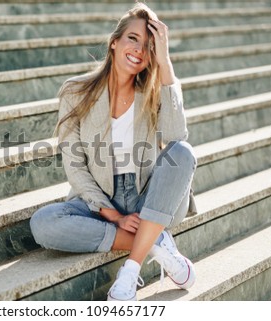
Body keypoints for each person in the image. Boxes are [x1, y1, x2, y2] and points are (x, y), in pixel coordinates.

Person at [30, 2, 197, 301]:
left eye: (149, 45)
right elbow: (75, 165)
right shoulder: (75, 92)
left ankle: (131, 270)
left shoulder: (153, 92)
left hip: (150, 198)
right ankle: (155, 240)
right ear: (114, 42)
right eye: (133, 38)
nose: (139, 49)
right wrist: (111, 214)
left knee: (182, 152)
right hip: (99, 199)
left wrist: (166, 63)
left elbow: (175, 139)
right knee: (43, 223)